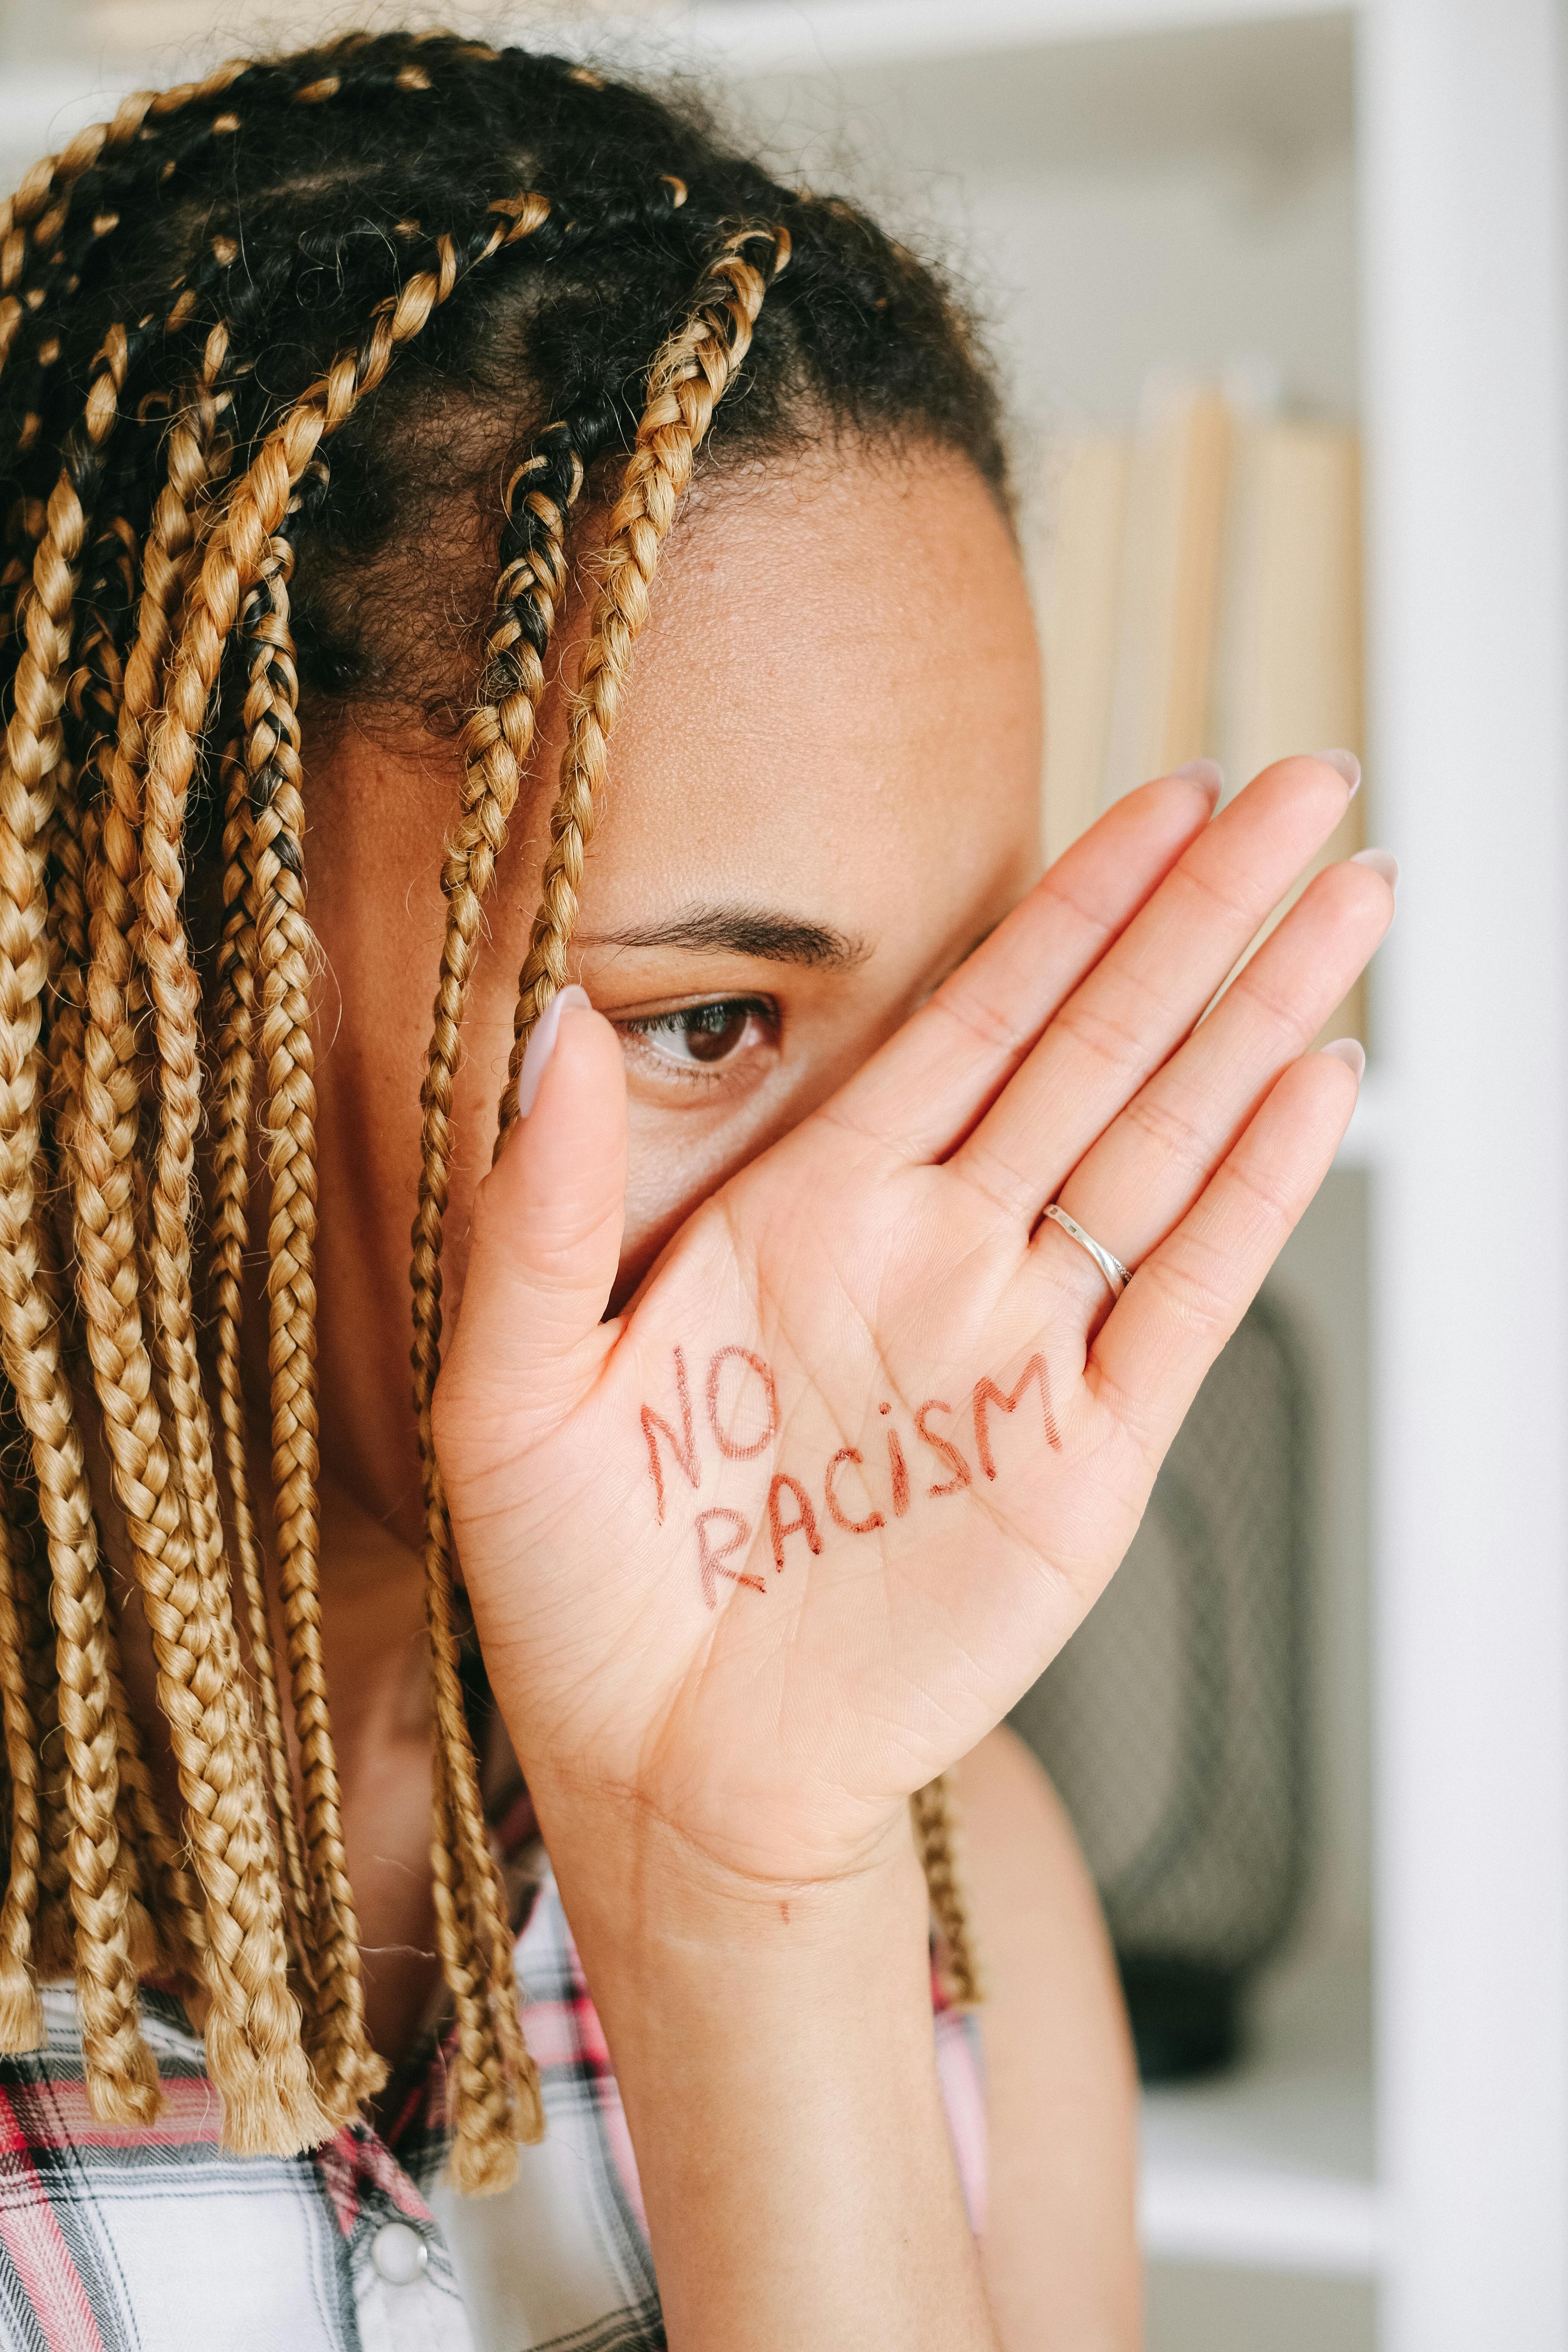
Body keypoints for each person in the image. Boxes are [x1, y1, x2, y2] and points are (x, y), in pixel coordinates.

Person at [0, 30, 1392, 2350]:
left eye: (966, 1013)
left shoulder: (962, 1899)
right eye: (707, 1025)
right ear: (135, 963)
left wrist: (748, 1923)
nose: (900, 1213)